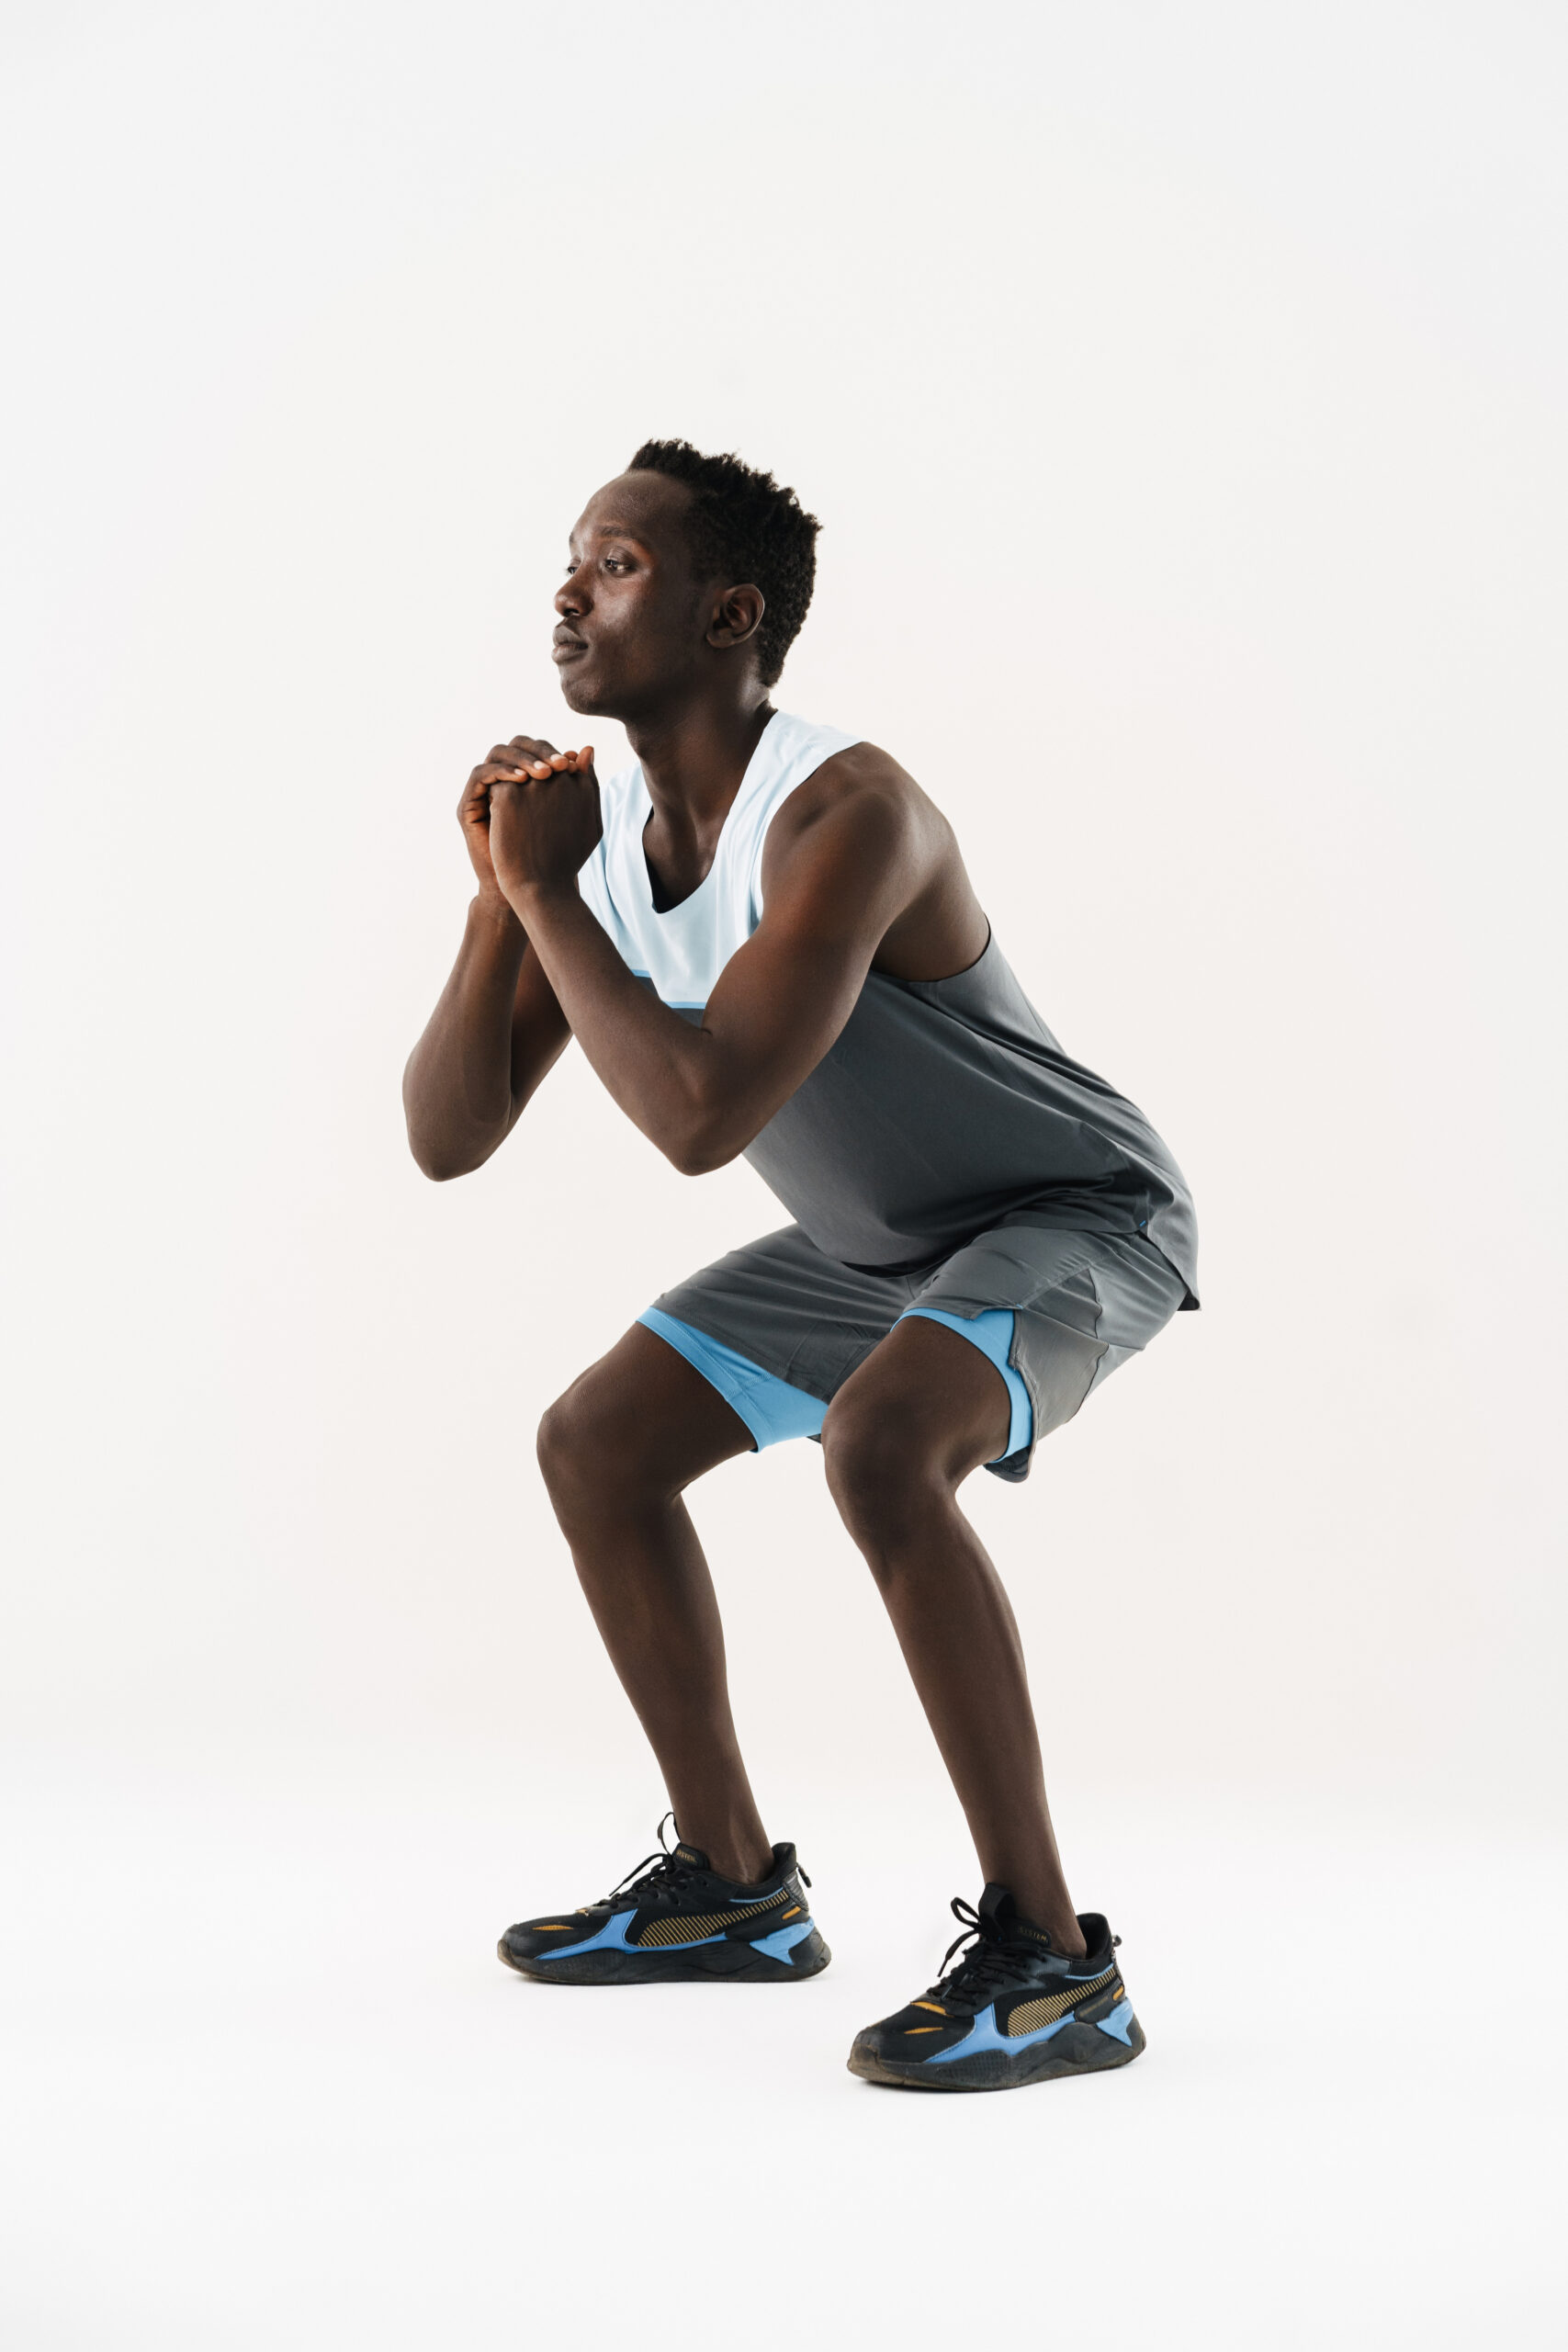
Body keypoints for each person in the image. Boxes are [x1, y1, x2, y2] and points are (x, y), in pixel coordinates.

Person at [402, 439, 1198, 2092]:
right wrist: (501, 902)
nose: (565, 589)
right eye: (568, 557)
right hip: (877, 1246)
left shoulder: (850, 813)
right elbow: (448, 1136)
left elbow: (699, 1119)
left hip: (1073, 1210)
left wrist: (545, 895)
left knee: (886, 1446)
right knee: (597, 1444)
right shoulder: (600, 859)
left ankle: (1057, 1964)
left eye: (614, 564)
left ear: (727, 615)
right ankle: (732, 1892)